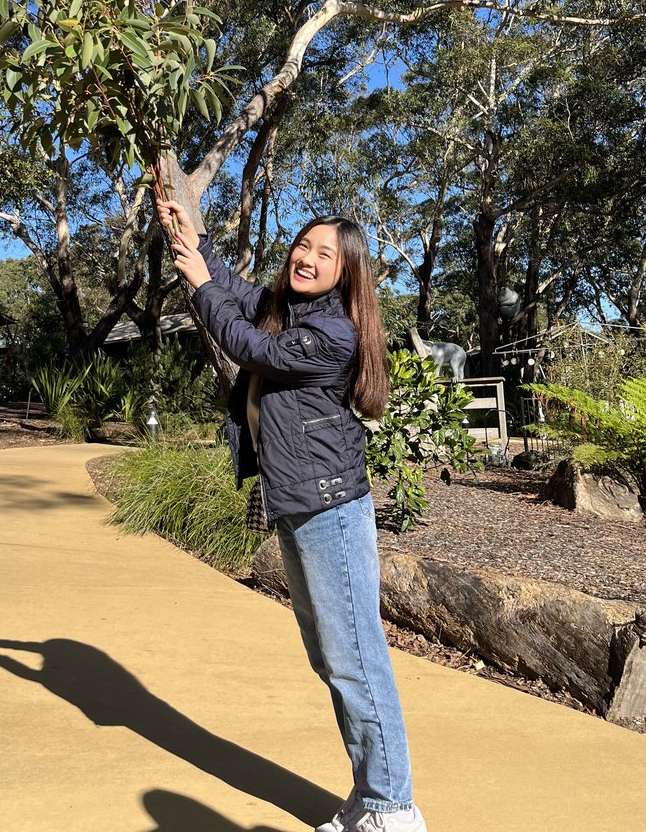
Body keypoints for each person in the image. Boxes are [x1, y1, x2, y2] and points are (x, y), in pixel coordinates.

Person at [156, 199, 429, 832]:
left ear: (346, 272)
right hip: (302, 505)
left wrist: (198, 283)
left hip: (330, 510)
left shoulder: (331, 333)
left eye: (322, 253)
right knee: (333, 657)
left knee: (355, 657)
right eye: (301, 245)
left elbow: (249, 345)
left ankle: (394, 809)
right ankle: (371, 799)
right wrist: (196, 243)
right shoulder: (292, 310)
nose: (304, 257)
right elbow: (246, 297)